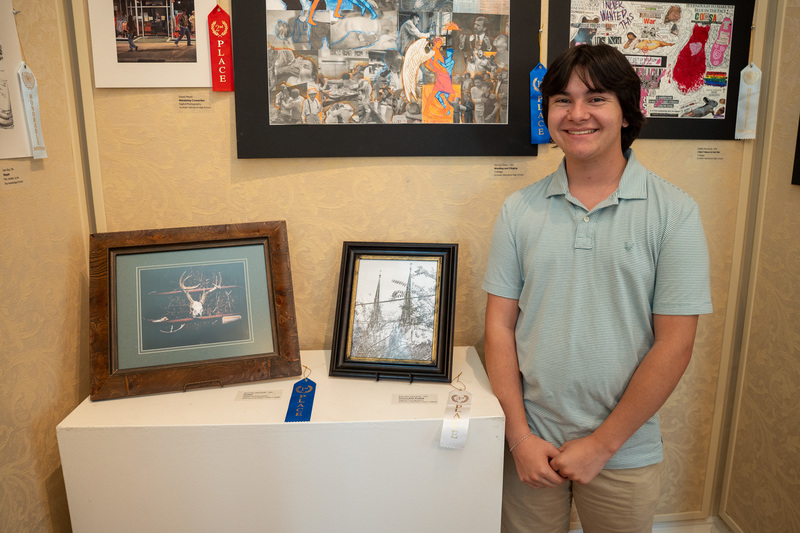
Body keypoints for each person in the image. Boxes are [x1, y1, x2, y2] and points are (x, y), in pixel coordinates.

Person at [482, 43, 712, 533]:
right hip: (530, 446)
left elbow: (676, 342)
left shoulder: (675, 212)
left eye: (597, 98)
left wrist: (603, 445)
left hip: (624, 449)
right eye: (562, 100)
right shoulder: (518, 210)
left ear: (628, 112)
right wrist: (519, 438)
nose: (577, 114)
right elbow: (499, 327)